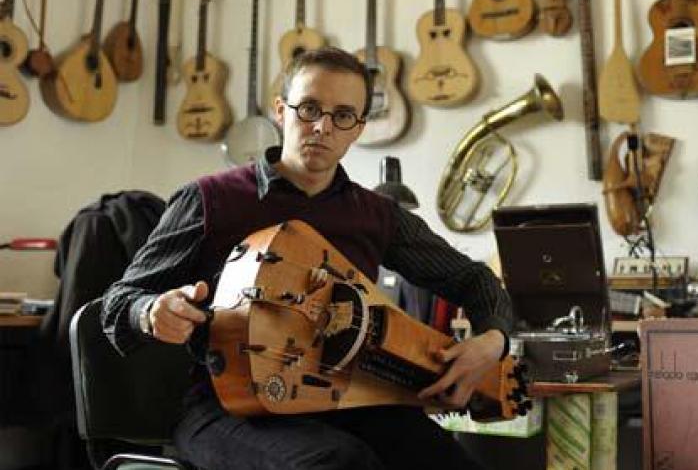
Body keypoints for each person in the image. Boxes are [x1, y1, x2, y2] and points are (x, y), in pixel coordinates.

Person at [101, 46, 513, 470]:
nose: (322, 127)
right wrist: (150, 311)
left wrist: (492, 342)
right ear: (281, 111)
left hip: (348, 400)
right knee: (336, 463)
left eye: (343, 115)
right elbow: (118, 302)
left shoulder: (377, 216)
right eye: (309, 108)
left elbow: (475, 281)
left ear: (358, 129)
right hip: (228, 406)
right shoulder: (210, 200)